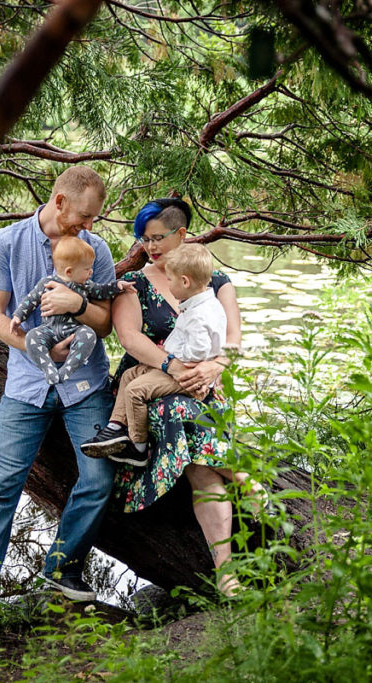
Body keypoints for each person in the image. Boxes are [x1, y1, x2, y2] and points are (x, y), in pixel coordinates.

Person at [0, 166, 117, 604]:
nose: (89, 226)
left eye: (94, 218)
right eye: (84, 216)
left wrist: (78, 304)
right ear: (59, 201)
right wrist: (37, 346)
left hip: (85, 385)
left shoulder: (95, 248)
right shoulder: (5, 243)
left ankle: (62, 568)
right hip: (26, 385)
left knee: (99, 479)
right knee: (1, 484)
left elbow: (104, 325)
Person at [108, 198, 264, 596]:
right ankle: (243, 479)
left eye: (158, 238)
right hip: (151, 384)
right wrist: (174, 366)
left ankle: (225, 570)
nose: (151, 247)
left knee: (198, 449)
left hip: (205, 384)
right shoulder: (135, 283)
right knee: (179, 411)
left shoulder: (214, 279)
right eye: (144, 240)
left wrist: (215, 368)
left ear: (182, 234)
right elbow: (130, 338)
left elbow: (233, 340)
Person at [80, 243, 226, 467]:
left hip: (188, 372)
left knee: (135, 390)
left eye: (170, 280)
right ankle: (114, 428)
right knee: (130, 374)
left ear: (185, 282)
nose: (167, 284)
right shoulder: (201, 301)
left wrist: (168, 355)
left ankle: (137, 446)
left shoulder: (200, 314)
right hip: (178, 364)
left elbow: (198, 350)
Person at [11, 236, 133, 385]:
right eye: (87, 269)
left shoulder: (85, 286)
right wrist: (18, 316)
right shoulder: (47, 283)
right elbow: (30, 300)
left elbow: (101, 291)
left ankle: (67, 370)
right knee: (31, 337)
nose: (90, 272)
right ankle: (48, 369)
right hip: (48, 330)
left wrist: (117, 286)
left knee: (88, 335)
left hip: (73, 330)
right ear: (69, 271)